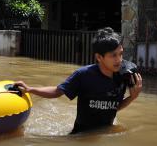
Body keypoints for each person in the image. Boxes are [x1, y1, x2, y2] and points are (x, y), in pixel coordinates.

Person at [14, 27, 143, 134]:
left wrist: (132, 97)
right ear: (99, 57)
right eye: (113, 55)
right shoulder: (84, 75)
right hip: (81, 135)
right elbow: (57, 91)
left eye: (121, 54)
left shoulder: (124, 75)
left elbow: (113, 108)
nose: (119, 60)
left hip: (105, 132)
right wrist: (30, 89)